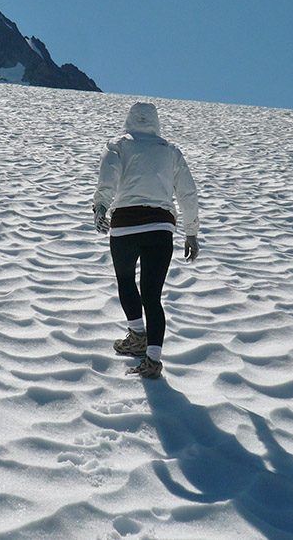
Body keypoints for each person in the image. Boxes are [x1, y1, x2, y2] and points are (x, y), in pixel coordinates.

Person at [93, 102, 199, 379]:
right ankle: (152, 360)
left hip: (125, 226)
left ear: (129, 119)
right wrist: (191, 231)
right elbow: (187, 192)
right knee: (153, 295)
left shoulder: (118, 144)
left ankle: (137, 335)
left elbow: (108, 177)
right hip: (161, 228)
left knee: (126, 280)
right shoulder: (170, 150)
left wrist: (101, 207)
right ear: (156, 122)